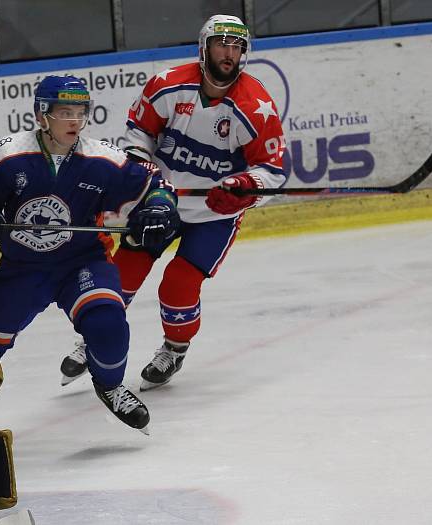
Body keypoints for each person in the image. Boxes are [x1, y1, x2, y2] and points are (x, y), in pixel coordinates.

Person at [60, 14, 287, 391]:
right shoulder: (168, 85)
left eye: (236, 47)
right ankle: (97, 338)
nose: (229, 53)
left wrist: (242, 184)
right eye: (221, 44)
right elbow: (139, 136)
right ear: (204, 47)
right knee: (124, 271)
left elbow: (272, 170)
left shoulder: (255, 105)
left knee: (179, 282)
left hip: (215, 212)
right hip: (161, 200)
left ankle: (174, 348)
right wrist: (143, 167)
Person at [0, 75, 180, 434]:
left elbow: (155, 185)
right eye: (65, 112)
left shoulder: (101, 159)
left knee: (107, 320)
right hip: (22, 269)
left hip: (81, 262)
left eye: (80, 112)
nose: (75, 120)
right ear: (42, 115)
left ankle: (109, 386)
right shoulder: (9, 155)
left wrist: (158, 209)